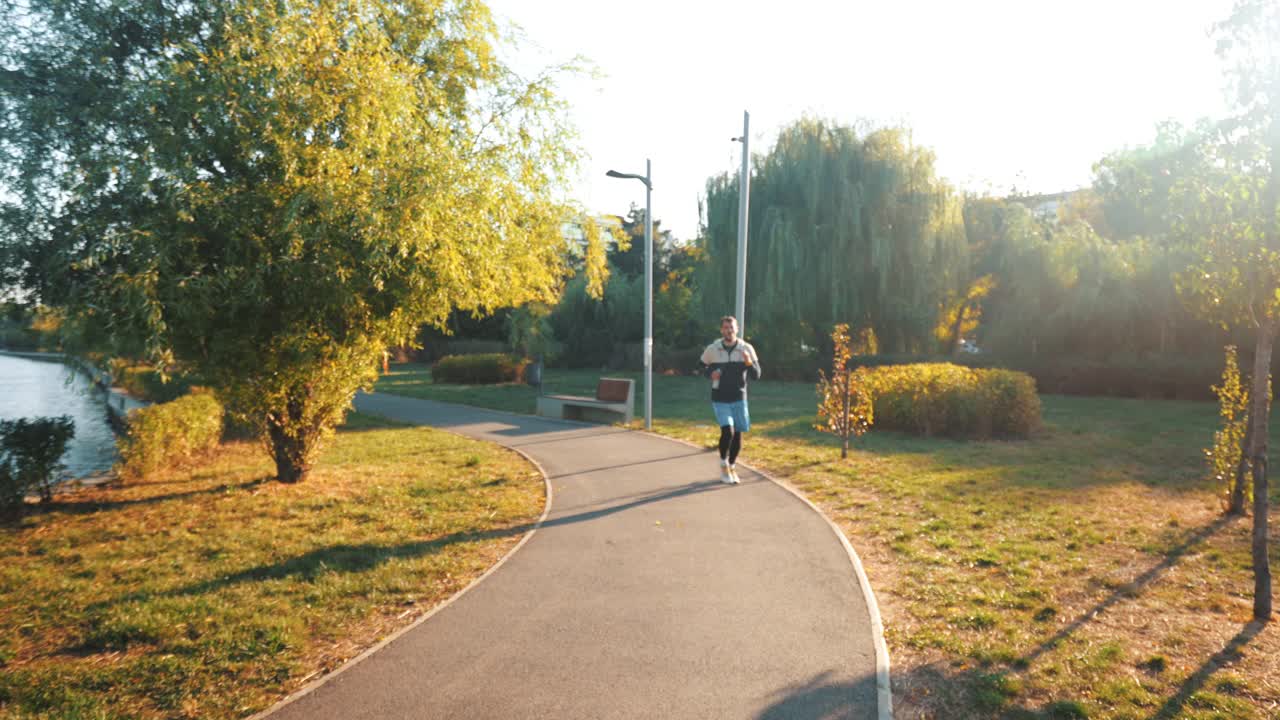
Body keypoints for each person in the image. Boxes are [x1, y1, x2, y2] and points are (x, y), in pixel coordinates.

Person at [699, 316, 760, 484]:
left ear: (737, 329)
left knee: (738, 434)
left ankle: (732, 466)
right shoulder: (713, 349)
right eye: (725, 328)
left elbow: (756, 375)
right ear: (721, 330)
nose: (729, 331)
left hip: (739, 398)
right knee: (728, 431)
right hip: (720, 397)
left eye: (731, 328)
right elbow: (701, 366)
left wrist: (748, 363)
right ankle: (723, 464)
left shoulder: (746, 348)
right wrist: (709, 374)